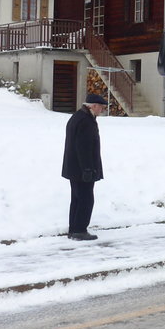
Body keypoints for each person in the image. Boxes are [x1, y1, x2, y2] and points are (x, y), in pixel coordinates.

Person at [62, 92, 106, 241]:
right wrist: (87, 169)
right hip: (82, 169)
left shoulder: (77, 117)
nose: (102, 110)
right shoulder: (86, 121)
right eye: (101, 107)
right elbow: (83, 147)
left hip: (74, 168)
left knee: (77, 198)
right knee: (86, 199)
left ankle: (74, 229)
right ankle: (80, 230)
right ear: (94, 106)